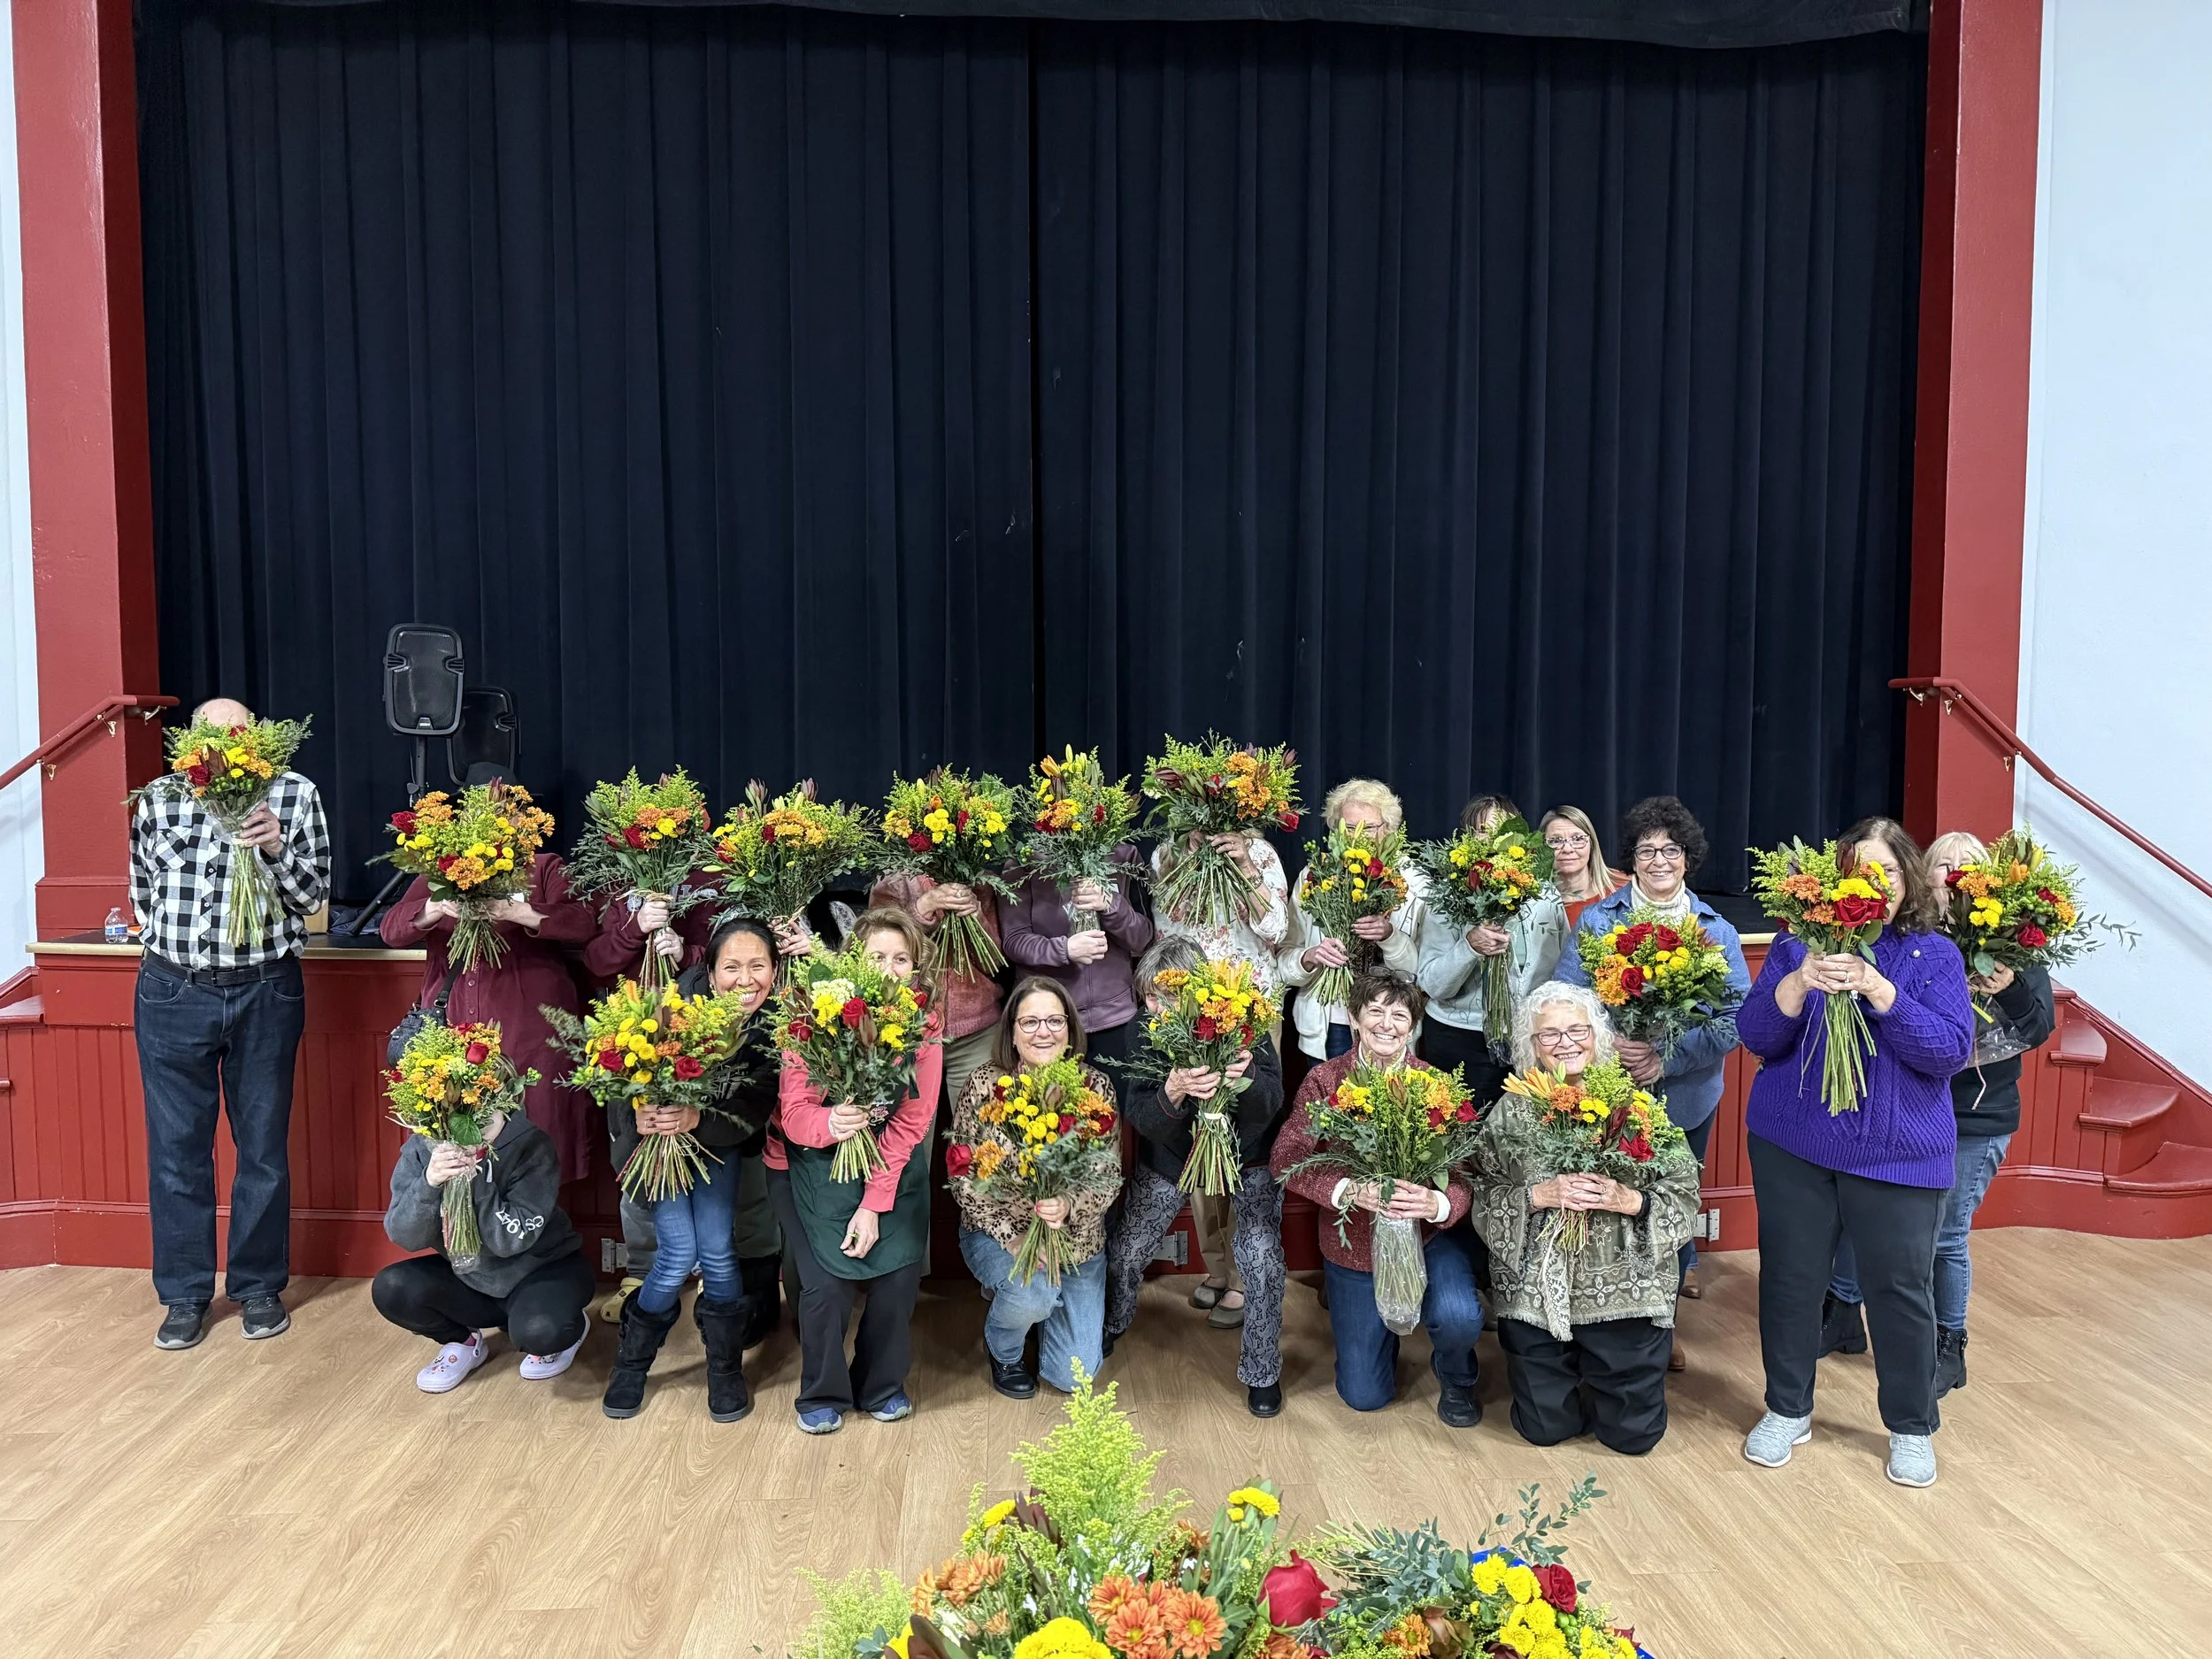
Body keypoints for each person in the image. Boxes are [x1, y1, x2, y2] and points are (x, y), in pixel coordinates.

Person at [1738, 816, 1973, 1489]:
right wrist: (1797, 983)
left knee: (1899, 1291)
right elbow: (1756, 1035)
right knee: (1790, 1279)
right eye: (1860, 871)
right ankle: (1787, 1409)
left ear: (1908, 880)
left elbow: (1948, 1052)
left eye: (1888, 871)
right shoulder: (1797, 944)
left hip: (1899, 1153)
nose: (1875, 883)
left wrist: (1879, 990)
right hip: (1794, 1142)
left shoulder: (1934, 955)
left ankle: (1910, 1425)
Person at [1821, 831, 2055, 1398]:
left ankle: (1950, 1343)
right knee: (1860, 1211)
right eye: (1941, 863)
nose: (1952, 874)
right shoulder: (1903, 936)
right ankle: (1843, 1311)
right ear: (1919, 874)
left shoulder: (2011, 944)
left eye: (1966, 865)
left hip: (1974, 1113)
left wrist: (2009, 987)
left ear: (1990, 880)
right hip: (1903, 1106)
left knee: (1946, 1236)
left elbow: (2038, 1026)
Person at [130, 696, 332, 1350]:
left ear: (258, 742)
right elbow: (143, 891)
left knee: (263, 1149)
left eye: (239, 738)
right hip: (173, 989)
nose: (224, 752)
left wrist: (274, 847)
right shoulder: (159, 797)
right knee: (177, 1152)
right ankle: (184, 1295)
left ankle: (258, 1287)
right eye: (211, 740)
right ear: (192, 744)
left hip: (265, 989)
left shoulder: (295, 795)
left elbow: (313, 897)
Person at [1555, 795, 1750, 1359]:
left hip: (1687, 1095)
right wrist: (1608, 1046)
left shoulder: (1715, 930)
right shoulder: (1599, 920)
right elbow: (1566, 999)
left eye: (1671, 850)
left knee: (1672, 1205)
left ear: (1688, 857)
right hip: (1608, 1093)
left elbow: (1737, 1017)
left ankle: (1663, 1327)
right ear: (1631, 859)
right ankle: (1609, 1320)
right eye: (1647, 851)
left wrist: (1668, 1057)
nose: (1659, 860)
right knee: (1610, 1204)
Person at [1469, 982, 1701, 1454]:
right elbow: (1481, 1189)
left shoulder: (1635, 1104)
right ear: (1532, 1047)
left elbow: (1684, 1189)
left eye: (1578, 1030)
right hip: (1537, 1288)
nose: (1566, 1043)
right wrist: (1536, 1195)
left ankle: (1603, 1375)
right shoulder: (1509, 1112)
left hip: (1623, 1283)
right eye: (1549, 1035)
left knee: (1634, 1437)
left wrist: (1629, 1200)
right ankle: (1569, 1374)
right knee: (1544, 1429)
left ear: (1598, 1036)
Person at [1269, 971, 1484, 1425]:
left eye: (1400, 1015)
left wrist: (1437, 1204)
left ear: (1413, 1027)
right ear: (1354, 1018)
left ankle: (1457, 1376)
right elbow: (1286, 1159)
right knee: (1364, 1395)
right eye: (1376, 1012)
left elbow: (1467, 1175)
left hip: (1428, 1239)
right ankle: (1379, 1340)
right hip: (1356, 1247)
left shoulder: (1437, 1085)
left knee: (1459, 1316)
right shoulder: (1326, 1081)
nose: (1387, 1024)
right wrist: (1349, 1191)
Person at [584, 897, 797, 1344]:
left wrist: (696, 1118)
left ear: (775, 970)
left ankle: (727, 1353)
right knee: (678, 1252)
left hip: (731, 1146)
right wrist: (638, 1115)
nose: (745, 980)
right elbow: (620, 1081)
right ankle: (635, 1357)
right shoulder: (673, 1008)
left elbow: (753, 1109)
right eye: (731, 968)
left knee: (722, 1248)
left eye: (758, 966)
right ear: (711, 971)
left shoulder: (780, 1022)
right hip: (660, 1149)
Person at [764, 906, 944, 1433]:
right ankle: (822, 1392)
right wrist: (832, 1122)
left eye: (901, 959)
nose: (889, 969)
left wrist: (873, 1203)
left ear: (916, 969)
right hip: (807, 1163)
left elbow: (912, 1121)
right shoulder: (810, 1015)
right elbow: (795, 1115)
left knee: (898, 1277)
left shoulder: (925, 1025)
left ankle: (881, 1384)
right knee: (825, 1286)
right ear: (852, 964)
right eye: (876, 957)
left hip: (891, 1163)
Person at [380, 774, 599, 1184]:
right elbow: (391, 931)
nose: (493, 820)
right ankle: (460, 1221)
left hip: (529, 1031)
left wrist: (517, 912)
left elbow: (583, 923)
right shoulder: (440, 871)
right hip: (453, 1031)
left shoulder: (545, 867)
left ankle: (533, 1221)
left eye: (505, 812)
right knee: (456, 1135)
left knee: (539, 1132)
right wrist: (435, 907)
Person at [1104, 937, 1289, 1417]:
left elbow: (1272, 1102)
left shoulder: (1242, 1018)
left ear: (1199, 994)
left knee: (1262, 1260)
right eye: (1149, 996)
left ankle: (1262, 1372)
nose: (1155, 1008)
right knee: (1127, 1251)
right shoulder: (1142, 1029)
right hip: (1174, 1154)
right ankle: (1111, 1322)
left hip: (1247, 1155)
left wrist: (1244, 1081)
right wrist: (1172, 1092)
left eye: (1167, 996)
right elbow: (1141, 1114)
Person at [949, 978, 1123, 1398]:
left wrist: (1068, 1204)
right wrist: (1013, 1238)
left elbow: (1108, 1173)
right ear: (1011, 1032)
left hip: (1076, 1241)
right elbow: (963, 1176)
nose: (1043, 1032)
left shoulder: (1095, 1087)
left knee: (1074, 1377)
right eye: (1029, 1022)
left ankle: (1037, 1309)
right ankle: (1005, 1346)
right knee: (1033, 1294)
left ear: (1070, 1029)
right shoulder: (986, 1085)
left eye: (1054, 1021)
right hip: (1001, 1234)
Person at [1150, 814, 1289, 1329]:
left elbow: (1276, 931)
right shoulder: (1166, 854)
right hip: (1187, 1018)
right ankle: (1217, 1267)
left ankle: (1246, 1276)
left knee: (1247, 1140)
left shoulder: (1262, 854)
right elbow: (1165, 935)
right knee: (1200, 1136)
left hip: (1250, 1016)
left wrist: (1245, 867)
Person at [371, 1102, 595, 1394]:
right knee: (391, 1287)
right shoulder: (423, 1148)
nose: (469, 1127)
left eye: (483, 1115)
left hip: (543, 1270)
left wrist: (474, 1178)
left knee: (540, 1331)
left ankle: (567, 1324)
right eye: (456, 1114)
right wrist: (430, 1182)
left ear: (504, 1103)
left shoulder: (530, 1144)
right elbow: (406, 1237)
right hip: (473, 1277)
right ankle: (463, 1342)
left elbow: (509, 1242)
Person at [1415, 793, 1567, 1109]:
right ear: (1468, 839)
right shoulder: (1446, 896)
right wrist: (1470, 947)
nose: (1493, 838)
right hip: (1459, 1038)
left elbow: (1561, 972)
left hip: (1528, 1038)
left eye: (1502, 829)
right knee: (1462, 1131)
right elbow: (1432, 985)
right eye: (1482, 830)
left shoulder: (1545, 895)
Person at [1277, 779, 1426, 1064]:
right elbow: (1284, 961)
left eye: (1368, 827)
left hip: (1390, 1025)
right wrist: (1310, 957)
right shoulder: (1315, 876)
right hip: (1331, 1025)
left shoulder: (1414, 883)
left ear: (1388, 828)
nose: (1358, 837)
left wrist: (1389, 936)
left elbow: (1422, 971)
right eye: (1348, 827)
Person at [1001, 851, 1154, 1072]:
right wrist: (1064, 950)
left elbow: (1142, 940)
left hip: (1115, 1018)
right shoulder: (1024, 860)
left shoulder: (1124, 853)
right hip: (1050, 1023)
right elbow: (1014, 941)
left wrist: (1111, 904)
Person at [870, 871, 1003, 1117]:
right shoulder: (893, 882)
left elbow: (994, 962)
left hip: (976, 1033)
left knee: (982, 1125)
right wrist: (923, 907)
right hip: (908, 1032)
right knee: (911, 1129)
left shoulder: (980, 880)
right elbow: (875, 955)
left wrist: (976, 917)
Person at [1540, 805, 1627, 930]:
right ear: (1541, 848)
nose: (1567, 849)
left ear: (1592, 844)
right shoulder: (1530, 905)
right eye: (1555, 841)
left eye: (1577, 839)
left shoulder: (1626, 888)